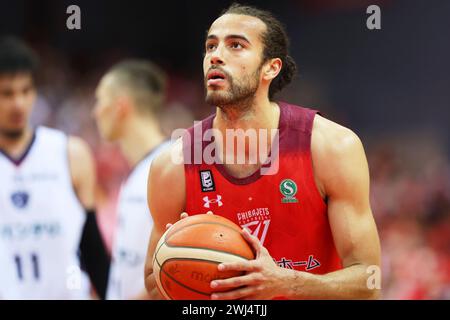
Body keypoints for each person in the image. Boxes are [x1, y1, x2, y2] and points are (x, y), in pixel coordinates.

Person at [144, 3, 381, 300]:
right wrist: (185, 274)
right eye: (210, 46)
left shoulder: (331, 146)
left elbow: (369, 282)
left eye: (236, 45)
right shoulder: (173, 166)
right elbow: (155, 284)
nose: (215, 55)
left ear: (271, 67)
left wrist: (285, 284)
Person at [0, 36, 110, 299]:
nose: (19, 103)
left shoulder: (69, 152)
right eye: (6, 94)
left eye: (25, 91)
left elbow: (93, 249)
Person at [94, 59, 170, 300]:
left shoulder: (171, 169)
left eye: (99, 100)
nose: (94, 111)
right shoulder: (138, 171)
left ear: (120, 106)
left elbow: (176, 270)